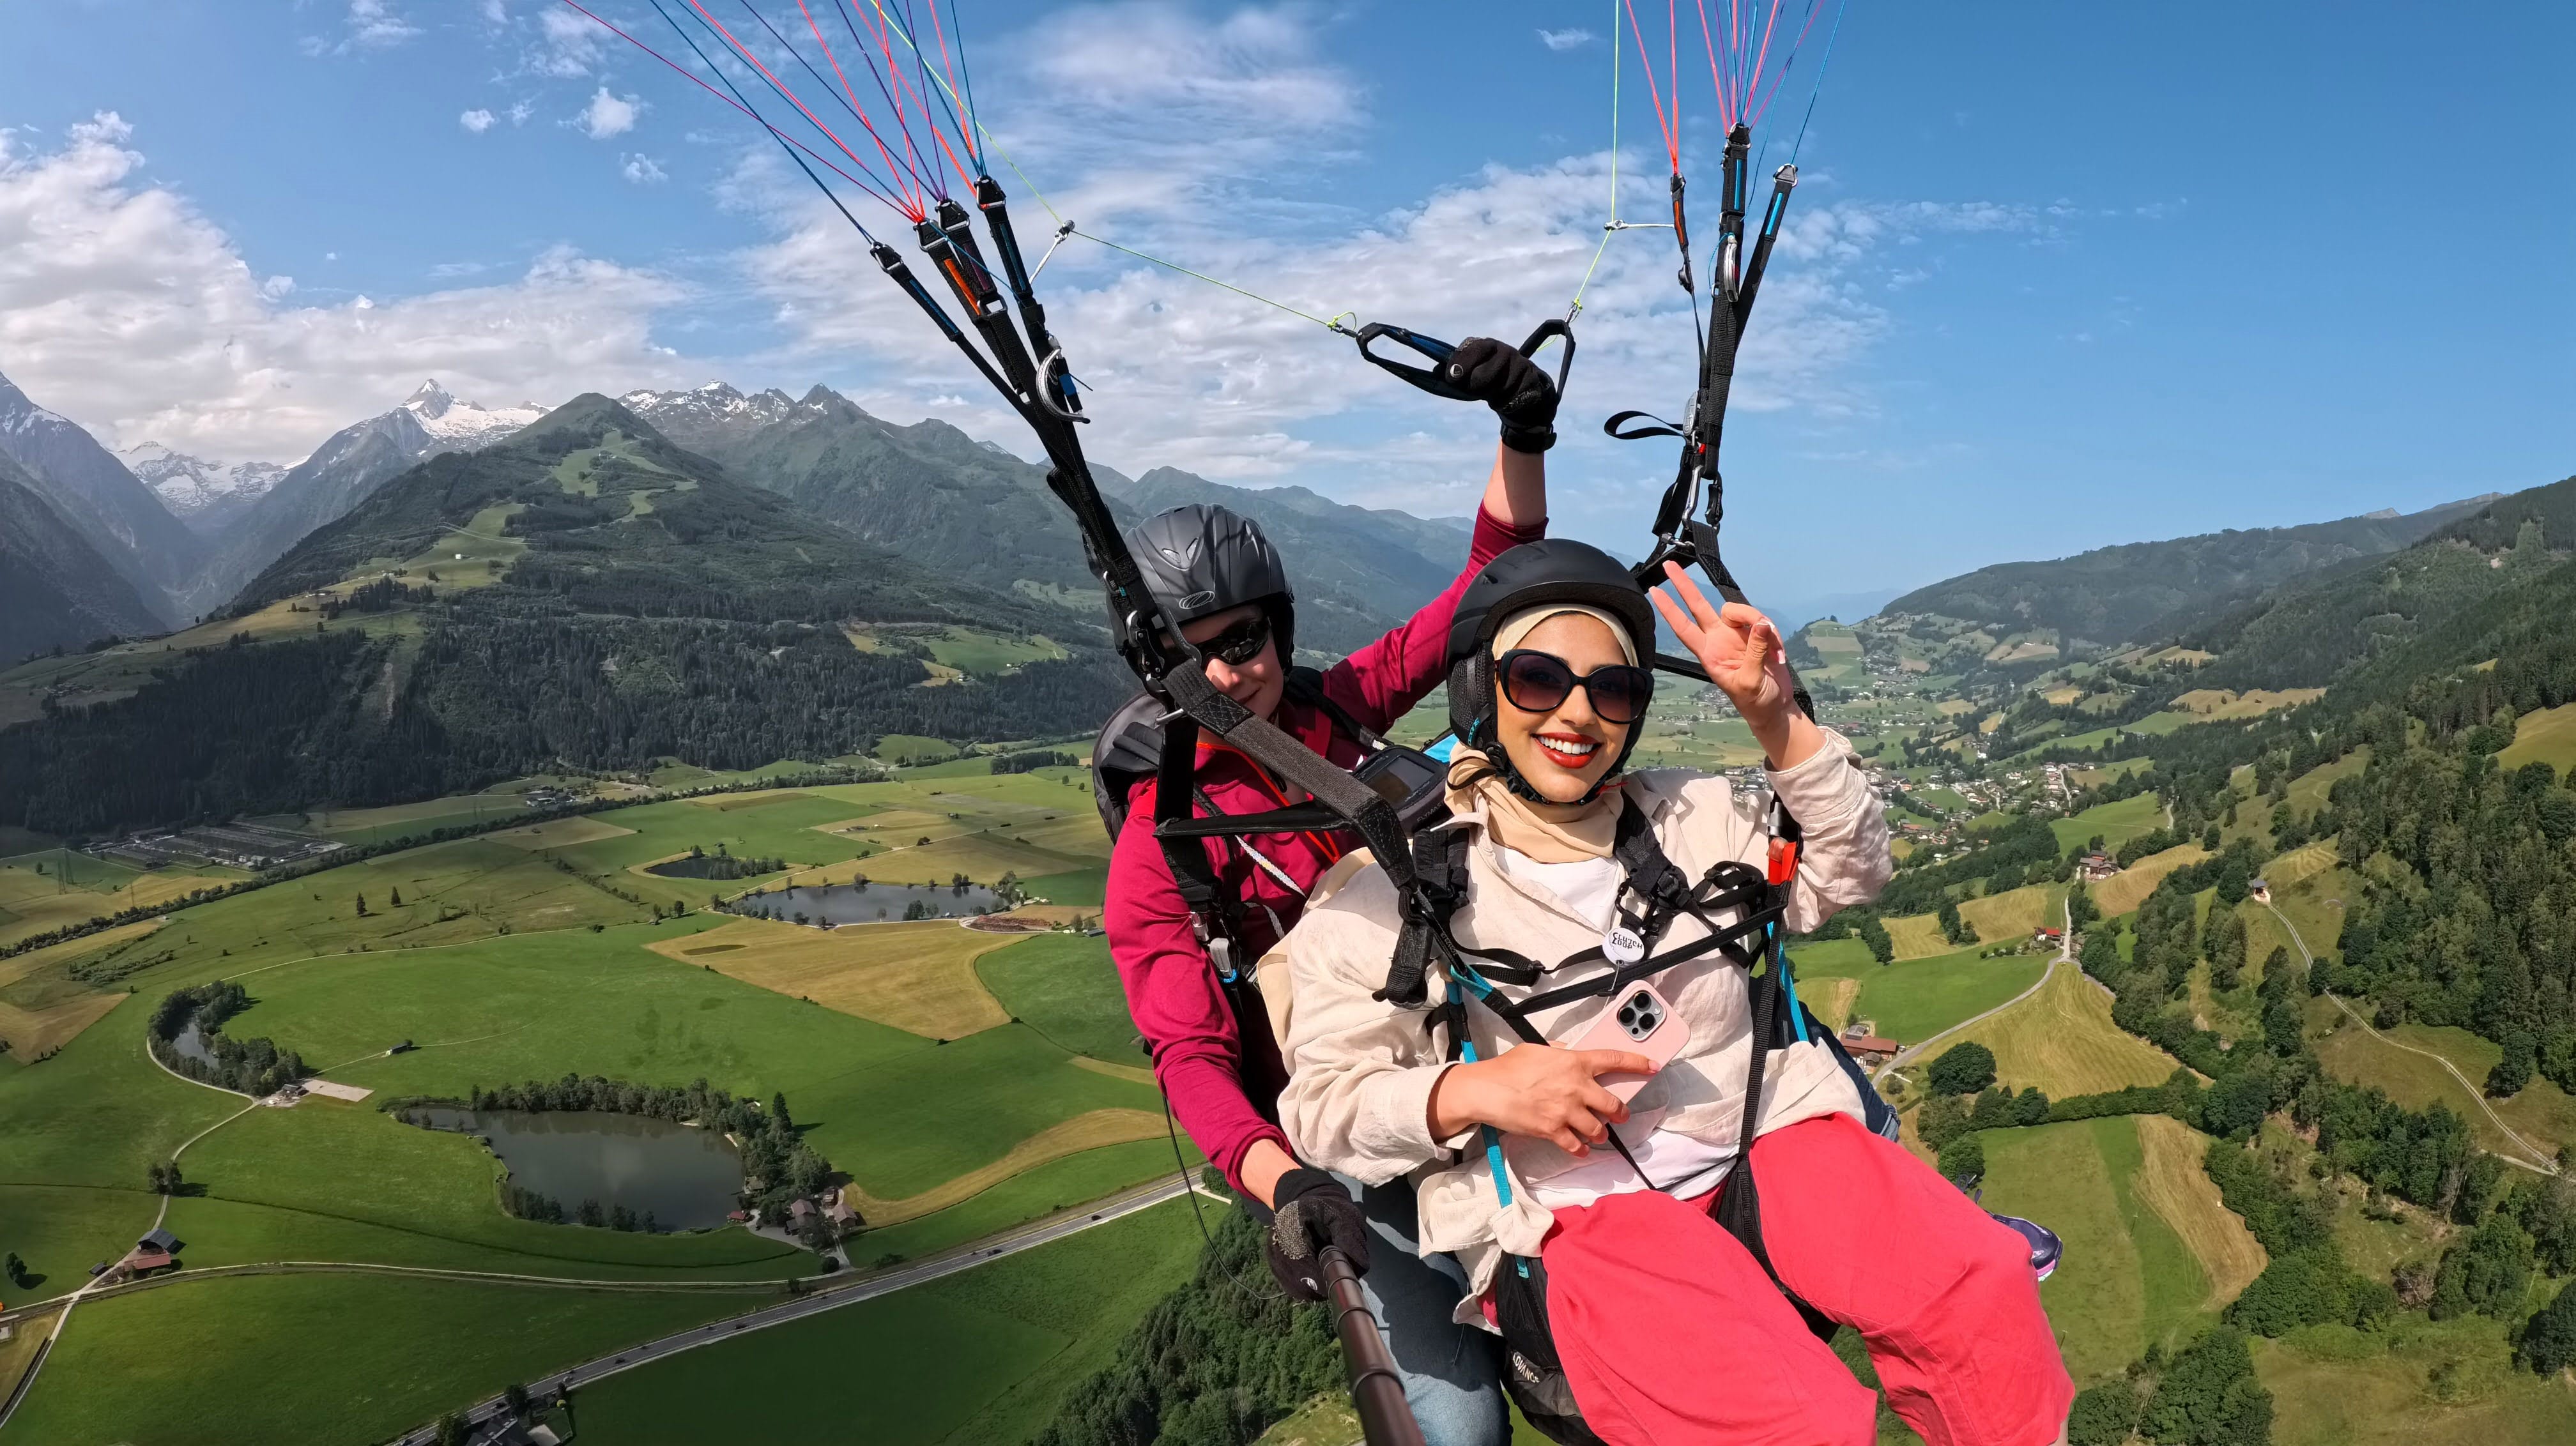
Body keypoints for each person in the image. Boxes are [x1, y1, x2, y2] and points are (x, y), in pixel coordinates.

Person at [1274, 542, 2075, 1446]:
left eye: (1611, 689)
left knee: (1980, 1284)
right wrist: (1478, 1091)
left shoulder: (1696, 817)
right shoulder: (1393, 893)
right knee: (1795, 1422)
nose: (1578, 713)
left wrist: (1779, 723)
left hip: (1758, 1139)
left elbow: (1851, 874)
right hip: (1575, 1215)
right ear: (1481, 691)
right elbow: (1322, 1107)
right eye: (1539, 678)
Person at [1103, 337, 1563, 1446]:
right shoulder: (1160, 849)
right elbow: (1191, 1055)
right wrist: (1286, 1184)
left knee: (1607, 1360)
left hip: (1461, 1073)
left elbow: (1483, 593)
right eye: (1194, 654)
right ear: (1157, 664)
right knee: (1457, 1427)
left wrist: (1521, 430)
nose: (1228, 673)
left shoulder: (1340, 715)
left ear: (1279, 623)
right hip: (1344, 1140)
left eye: (1246, 638)